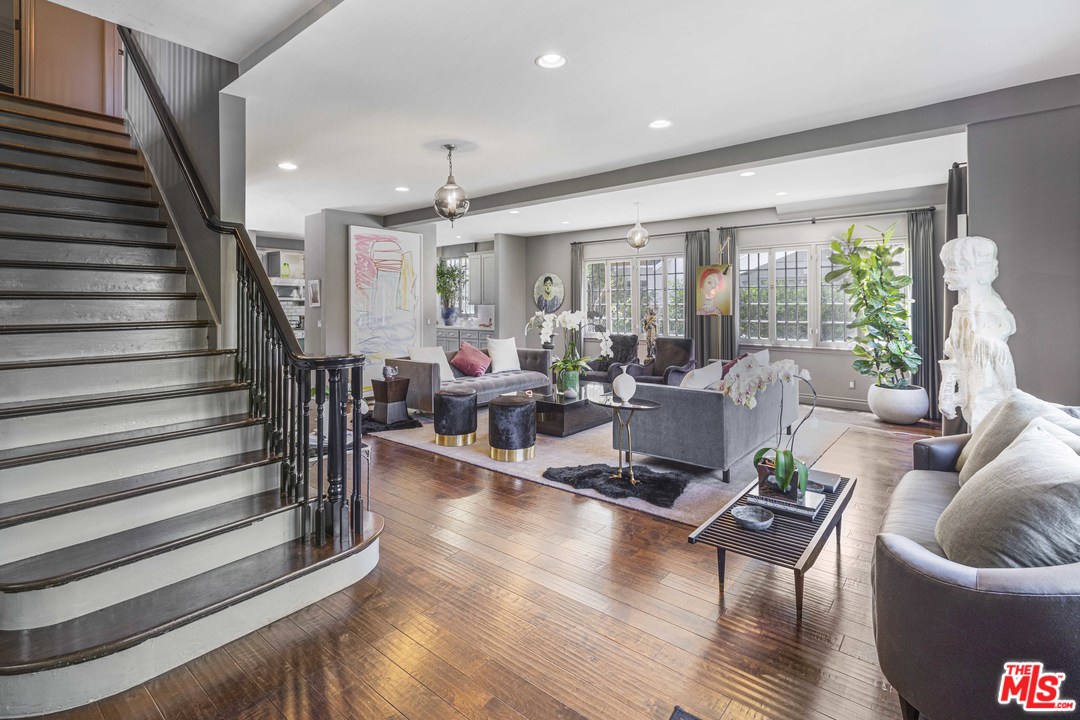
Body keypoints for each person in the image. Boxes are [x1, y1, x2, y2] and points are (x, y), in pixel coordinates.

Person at [938, 236, 1016, 430]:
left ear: (978, 270)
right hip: (969, 392)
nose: (945, 276)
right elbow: (955, 357)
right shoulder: (960, 309)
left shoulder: (990, 308)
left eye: (953, 269)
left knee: (984, 431)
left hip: (988, 395)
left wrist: (1011, 396)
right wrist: (947, 393)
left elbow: (1003, 365)